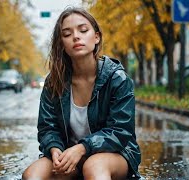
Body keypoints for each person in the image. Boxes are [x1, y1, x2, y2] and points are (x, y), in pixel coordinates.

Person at [22, 7, 141, 180]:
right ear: (62, 44)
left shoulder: (117, 79)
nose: (76, 36)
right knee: (32, 175)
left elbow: (120, 131)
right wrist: (55, 150)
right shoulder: (54, 81)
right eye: (67, 34)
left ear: (96, 37)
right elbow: (48, 128)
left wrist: (82, 148)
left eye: (83, 30)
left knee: (93, 167)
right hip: (69, 154)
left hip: (115, 154)